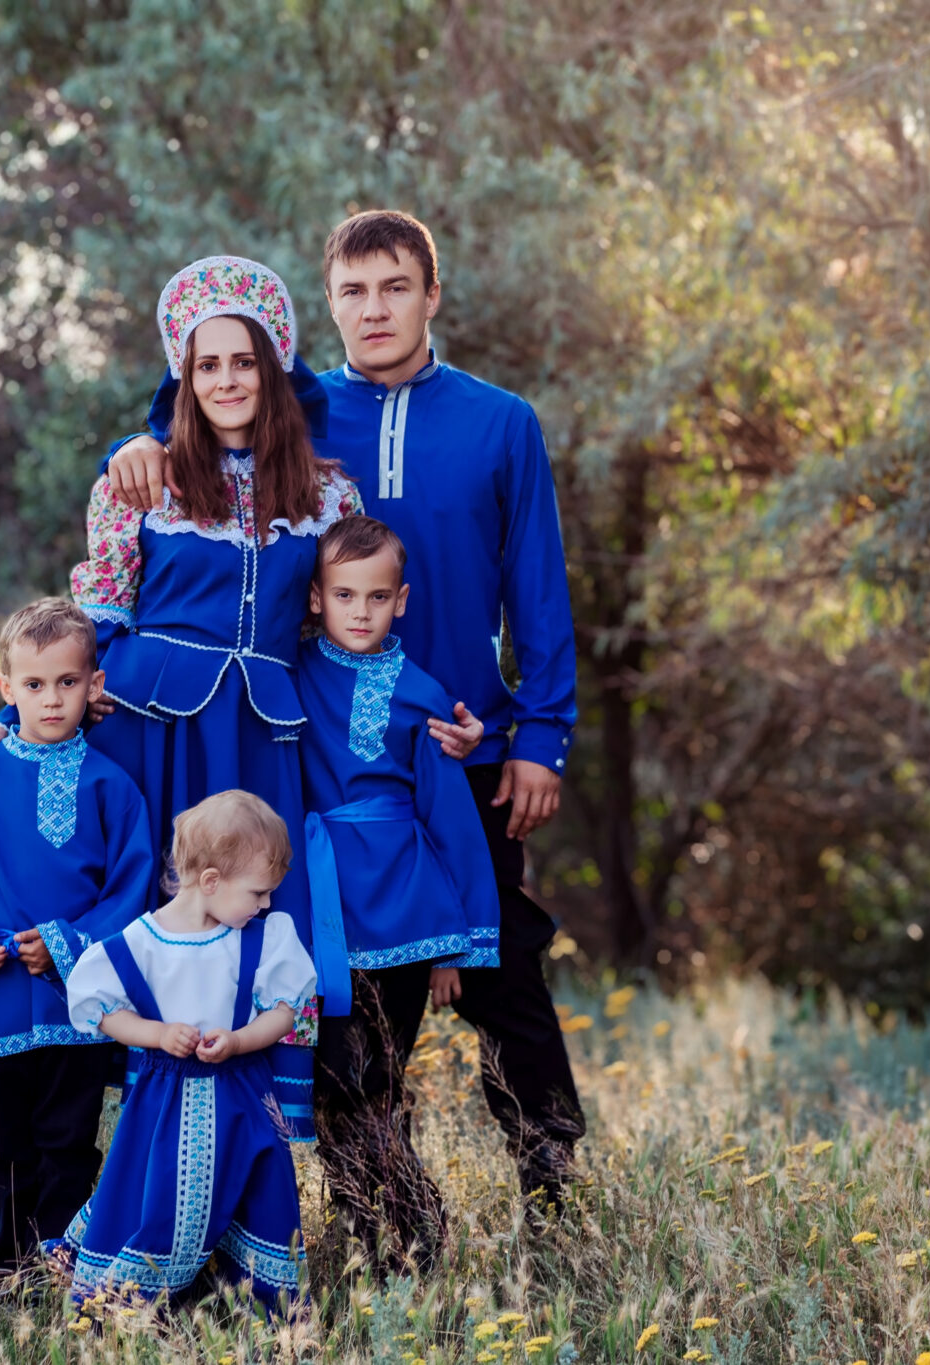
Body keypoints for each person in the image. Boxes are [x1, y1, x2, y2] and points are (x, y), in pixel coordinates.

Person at [101, 211, 586, 1206]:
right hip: (320, 758)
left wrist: (540, 736)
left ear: (430, 294)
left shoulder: (500, 422)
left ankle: (554, 1185)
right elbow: (206, 429)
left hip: (458, 742)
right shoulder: (302, 417)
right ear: (327, 306)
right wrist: (133, 449)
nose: (374, 310)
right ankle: (385, 1204)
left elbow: (537, 589)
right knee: (343, 1000)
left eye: (395, 287)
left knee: (501, 971)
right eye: (353, 293)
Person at [0, 255, 478, 1137]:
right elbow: (89, 624)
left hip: (263, 744)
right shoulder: (140, 481)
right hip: (148, 737)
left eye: (244, 361)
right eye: (207, 364)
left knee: (252, 915)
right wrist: (11, 723)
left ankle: (243, 1142)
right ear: (183, 377)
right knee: (152, 912)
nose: (227, 379)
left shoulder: (328, 492)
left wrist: (427, 719)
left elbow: (349, 624)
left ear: (274, 368)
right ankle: (144, 1152)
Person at [0, 598, 158, 1281]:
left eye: (67, 682)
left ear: (94, 685)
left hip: (79, 1003)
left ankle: (67, 1273)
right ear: (6, 688)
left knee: (70, 1144)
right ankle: (10, 1280)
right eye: (35, 684)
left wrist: (67, 944)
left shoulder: (114, 787)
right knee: (5, 1149)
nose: (51, 699)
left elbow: (130, 894)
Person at [296, 514, 500, 1266]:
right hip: (322, 912)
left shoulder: (422, 694)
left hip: (408, 917)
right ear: (316, 598)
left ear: (401, 600)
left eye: (377, 597)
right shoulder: (289, 673)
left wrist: (453, 947)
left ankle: (419, 1236)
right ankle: (369, 1236)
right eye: (344, 595)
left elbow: (451, 820)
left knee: (379, 1081)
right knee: (328, 1086)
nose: (360, 611)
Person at [55, 790, 317, 1312]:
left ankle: (263, 1304)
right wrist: (156, 1034)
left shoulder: (262, 938)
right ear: (212, 881)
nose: (266, 904)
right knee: (163, 1196)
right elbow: (99, 1008)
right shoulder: (140, 943)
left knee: (261, 1192)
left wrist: (240, 1039)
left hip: (243, 1094)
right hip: (165, 1101)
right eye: (259, 892)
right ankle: (133, 1299)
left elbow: (287, 1011)